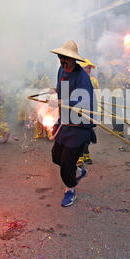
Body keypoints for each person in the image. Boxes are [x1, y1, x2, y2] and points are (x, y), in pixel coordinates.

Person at [49, 40, 96, 207]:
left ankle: (70, 190)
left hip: (79, 125)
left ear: (74, 60)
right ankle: (77, 171)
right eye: (61, 57)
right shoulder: (61, 70)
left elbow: (84, 102)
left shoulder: (82, 77)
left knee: (66, 164)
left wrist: (61, 102)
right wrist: (53, 95)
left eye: (67, 58)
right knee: (56, 157)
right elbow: (60, 91)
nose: (63, 61)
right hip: (65, 122)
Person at [77, 59, 99, 166]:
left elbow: (94, 96)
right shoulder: (78, 79)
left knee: (87, 134)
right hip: (79, 111)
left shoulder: (91, 80)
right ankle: (79, 157)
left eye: (90, 68)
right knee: (80, 135)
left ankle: (86, 155)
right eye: (88, 67)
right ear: (82, 68)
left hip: (89, 110)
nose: (90, 70)